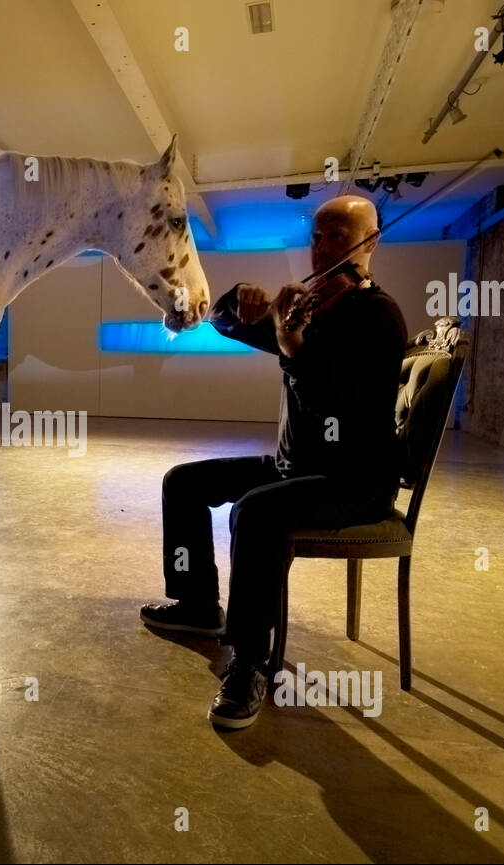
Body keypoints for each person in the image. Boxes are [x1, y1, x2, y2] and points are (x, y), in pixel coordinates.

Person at [140, 195, 408, 730]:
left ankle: (250, 661)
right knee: (184, 482)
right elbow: (223, 323)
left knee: (257, 514)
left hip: (353, 480)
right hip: (296, 467)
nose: (324, 248)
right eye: (319, 237)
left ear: (370, 243)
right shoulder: (308, 308)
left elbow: (337, 406)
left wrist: (292, 346)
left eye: (339, 237)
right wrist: (240, 300)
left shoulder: (376, 317)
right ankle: (197, 605)